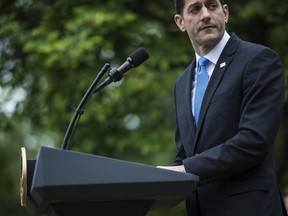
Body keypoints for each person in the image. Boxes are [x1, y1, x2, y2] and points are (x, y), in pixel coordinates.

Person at [157, 0, 287, 215]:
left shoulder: (258, 60)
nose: (206, 14)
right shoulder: (181, 83)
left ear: (225, 12)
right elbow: (186, 153)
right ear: (180, 22)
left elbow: (254, 141)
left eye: (212, 6)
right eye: (195, 9)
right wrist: (157, 177)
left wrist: (186, 169)